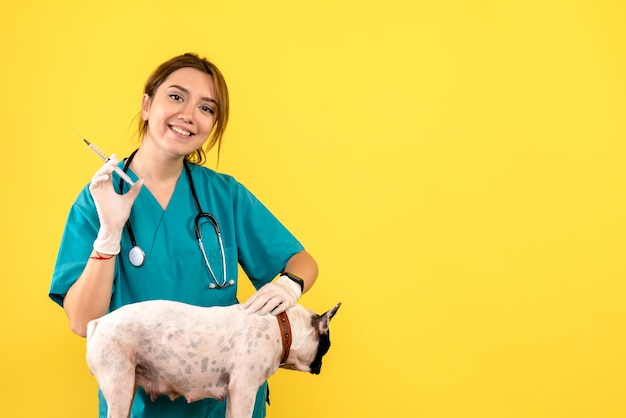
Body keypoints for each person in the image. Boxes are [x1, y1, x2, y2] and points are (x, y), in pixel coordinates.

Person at [49, 52, 318, 418]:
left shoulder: (225, 195)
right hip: (141, 406)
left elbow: (302, 262)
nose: (189, 115)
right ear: (147, 104)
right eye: (176, 97)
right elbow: (82, 322)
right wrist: (109, 235)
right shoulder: (97, 200)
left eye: (207, 108)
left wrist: (290, 285)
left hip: (227, 404)